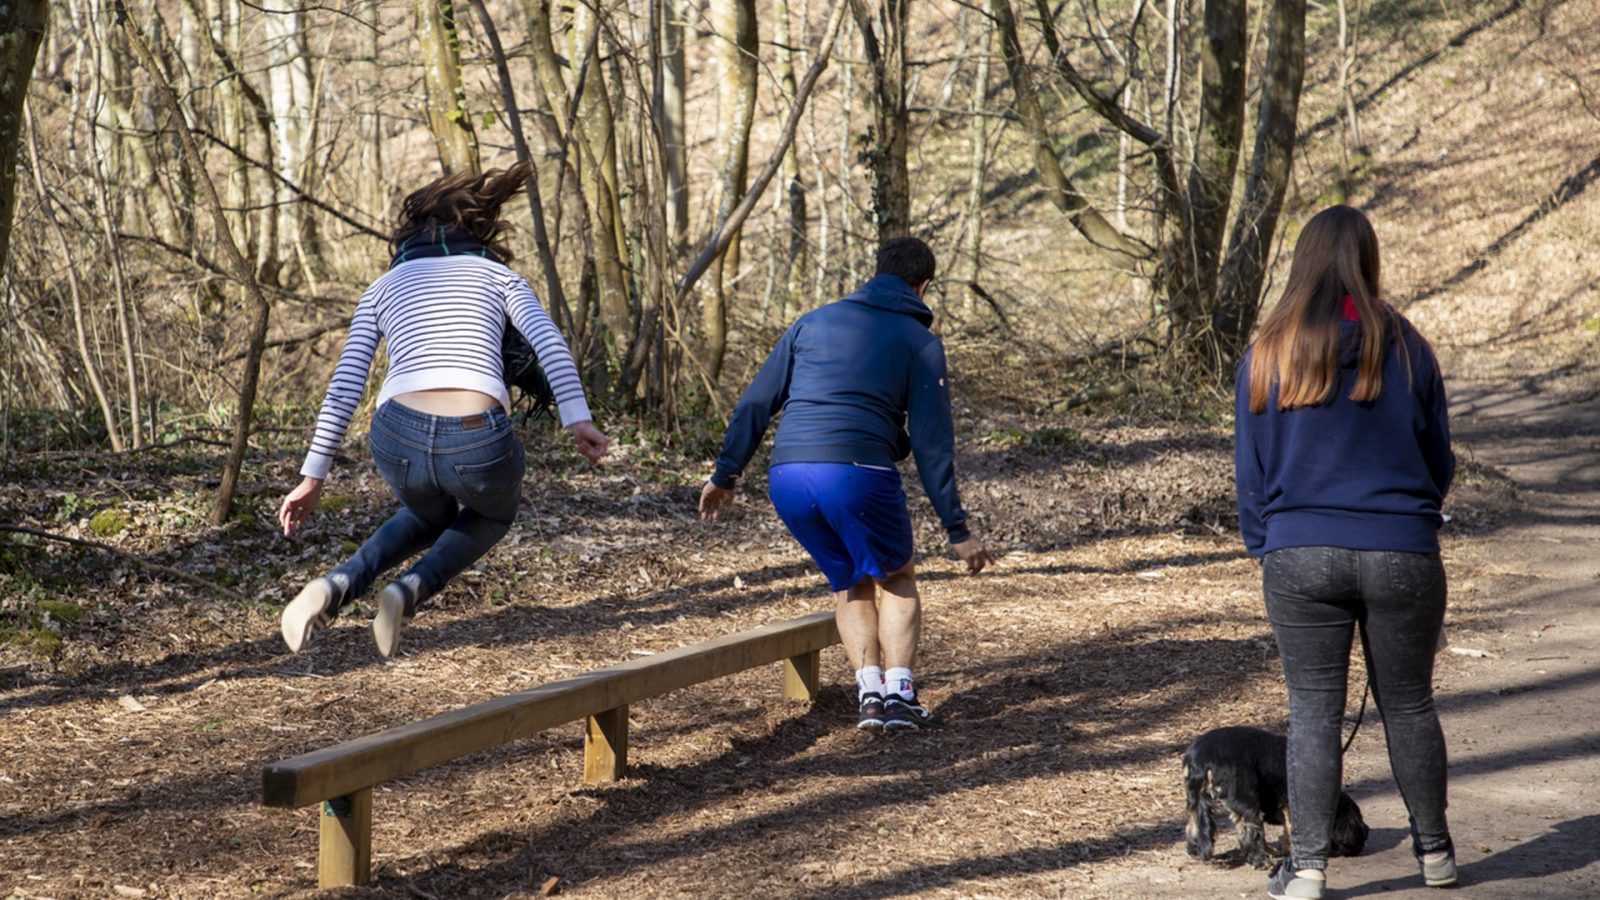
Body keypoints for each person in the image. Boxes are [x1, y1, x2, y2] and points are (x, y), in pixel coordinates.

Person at [277, 162, 608, 658]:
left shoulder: (383, 287)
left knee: (426, 513)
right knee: (492, 514)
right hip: (477, 437)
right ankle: (412, 588)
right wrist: (577, 418)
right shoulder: (500, 278)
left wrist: (312, 477)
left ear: (412, 231)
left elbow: (345, 386)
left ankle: (337, 584)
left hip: (396, 434)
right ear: (478, 228)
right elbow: (550, 344)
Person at [1234, 205, 1456, 899]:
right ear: (1368, 259)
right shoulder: (1407, 346)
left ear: (1301, 263)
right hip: (1401, 548)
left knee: (1312, 711)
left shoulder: (1268, 351)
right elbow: (1439, 458)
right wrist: (1413, 516)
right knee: (1410, 705)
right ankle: (1436, 855)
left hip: (1299, 551)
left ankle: (1306, 869)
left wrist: (1264, 544)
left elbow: (1251, 469)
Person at [699, 237, 992, 732]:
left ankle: (869, 694)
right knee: (896, 576)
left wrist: (725, 474)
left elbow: (755, 403)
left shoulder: (811, 323)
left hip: (788, 476)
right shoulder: (919, 342)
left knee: (851, 580)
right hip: (858, 473)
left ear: (876, 272)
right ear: (922, 286)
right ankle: (899, 696)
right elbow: (932, 443)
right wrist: (957, 529)